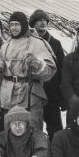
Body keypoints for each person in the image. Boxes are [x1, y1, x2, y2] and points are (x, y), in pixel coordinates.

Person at [0, 12, 56, 130]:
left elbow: (50, 70)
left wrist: (38, 64)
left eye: (17, 24)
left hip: (29, 94)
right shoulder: (6, 45)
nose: (14, 28)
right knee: (11, 131)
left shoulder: (37, 43)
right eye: (11, 25)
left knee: (32, 131)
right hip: (8, 95)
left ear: (24, 25)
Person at [29, 9, 66, 140]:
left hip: (52, 93)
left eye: (45, 20)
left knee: (55, 129)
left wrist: (62, 96)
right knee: (34, 127)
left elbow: (62, 70)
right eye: (39, 20)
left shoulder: (55, 43)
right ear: (33, 23)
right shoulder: (28, 42)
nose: (43, 23)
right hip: (33, 92)